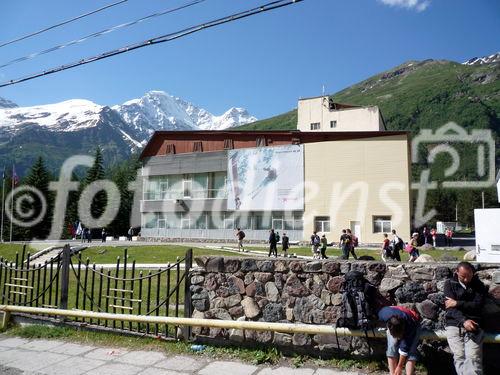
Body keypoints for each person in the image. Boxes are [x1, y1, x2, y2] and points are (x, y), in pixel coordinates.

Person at [444, 262, 487, 375]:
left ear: (473, 273)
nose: (467, 279)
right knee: (459, 357)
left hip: (474, 323)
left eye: (469, 276)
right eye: (463, 276)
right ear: (457, 272)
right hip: (454, 323)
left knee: (473, 358)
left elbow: (478, 305)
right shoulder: (449, 284)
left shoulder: (479, 285)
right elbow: (450, 308)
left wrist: (457, 303)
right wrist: (464, 321)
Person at [378, 305, 421, 375]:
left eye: (399, 336)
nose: (398, 338)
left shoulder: (410, 325)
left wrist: (400, 366)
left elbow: (404, 347)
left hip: (413, 323)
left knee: (411, 350)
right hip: (393, 319)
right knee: (392, 346)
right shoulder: (384, 314)